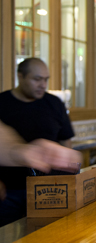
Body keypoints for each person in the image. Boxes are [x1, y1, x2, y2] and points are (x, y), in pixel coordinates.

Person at [0, 58, 76, 226]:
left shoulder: (54, 103)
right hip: (10, 191)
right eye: (37, 79)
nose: (43, 84)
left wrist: (68, 176)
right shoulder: (2, 103)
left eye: (45, 79)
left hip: (50, 190)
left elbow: (66, 141)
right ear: (20, 77)